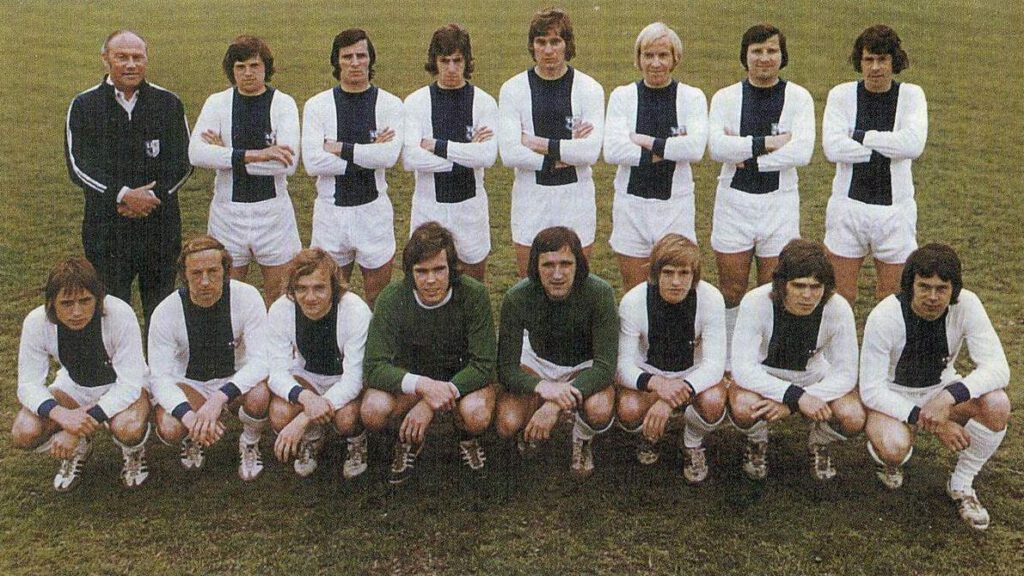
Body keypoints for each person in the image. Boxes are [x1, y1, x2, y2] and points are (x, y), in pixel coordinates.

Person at [860, 244, 1010, 530]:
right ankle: (885, 458)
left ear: (954, 289)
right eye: (924, 287)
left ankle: (962, 484)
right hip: (893, 395)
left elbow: (998, 368)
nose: (932, 297)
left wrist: (949, 396)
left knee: (997, 404)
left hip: (940, 390)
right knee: (893, 448)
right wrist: (934, 423)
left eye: (942, 289)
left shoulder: (967, 304)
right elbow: (871, 390)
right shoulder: (885, 315)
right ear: (910, 285)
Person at [65, 30, 192, 333]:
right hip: (107, 229)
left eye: (137, 57)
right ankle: (117, 362)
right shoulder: (84, 105)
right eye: (122, 57)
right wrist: (122, 195)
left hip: (159, 227)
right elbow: (78, 165)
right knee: (111, 310)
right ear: (106, 58)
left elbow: (183, 162)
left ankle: (159, 363)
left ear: (147, 59)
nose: (131, 64)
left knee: (161, 312)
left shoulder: (168, 102)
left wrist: (150, 199)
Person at [707, 24, 815, 370]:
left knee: (773, 288)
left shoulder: (798, 97)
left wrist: (747, 155)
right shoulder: (726, 97)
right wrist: (769, 143)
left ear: (782, 55)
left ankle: (766, 359)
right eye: (757, 51)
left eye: (771, 50)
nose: (764, 58)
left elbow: (801, 152)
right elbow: (716, 147)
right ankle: (728, 361)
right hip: (733, 204)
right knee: (732, 290)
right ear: (745, 56)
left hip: (779, 205)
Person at [362, 222, 497, 485]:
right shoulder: (391, 298)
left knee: (477, 414)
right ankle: (406, 438)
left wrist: (431, 402)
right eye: (421, 271)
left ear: (452, 268)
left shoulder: (474, 294)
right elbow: (374, 366)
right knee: (372, 409)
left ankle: (466, 435)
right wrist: (423, 387)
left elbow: (484, 364)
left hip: (461, 381)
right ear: (409, 272)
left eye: (439, 269)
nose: (431, 280)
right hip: (414, 384)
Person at [729, 239, 864, 481]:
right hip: (765, 375)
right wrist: (796, 397)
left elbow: (846, 373)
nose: (807, 295)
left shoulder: (838, 307)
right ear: (782, 284)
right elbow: (743, 369)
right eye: (799, 286)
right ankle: (757, 440)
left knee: (852, 416)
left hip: (812, 378)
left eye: (815, 287)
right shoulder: (756, 301)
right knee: (744, 407)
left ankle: (820, 441)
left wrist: (794, 401)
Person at [12, 258, 151, 491]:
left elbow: (129, 384)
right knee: (24, 431)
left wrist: (76, 427)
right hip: (74, 387)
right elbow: (28, 385)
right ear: (51, 302)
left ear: (98, 298)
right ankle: (79, 448)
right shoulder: (36, 322)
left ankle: (133, 451)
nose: (76, 312)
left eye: (85, 301)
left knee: (128, 427)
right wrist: (61, 415)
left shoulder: (119, 313)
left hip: (122, 388)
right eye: (66, 303)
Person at [496, 226, 618, 480]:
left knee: (599, 409)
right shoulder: (517, 297)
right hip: (538, 361)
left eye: (566, 264)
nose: (558, 274)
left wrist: (554, 404)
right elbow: (506, 369)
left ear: (578, 264)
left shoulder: (600, 293)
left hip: (584, 365)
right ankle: (529, 428)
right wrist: (542, 387)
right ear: (535, 266)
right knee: (508, 421)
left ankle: (582, 437)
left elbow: (605, 367)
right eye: (548, 265)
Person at [189, 35, 301, 306]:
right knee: (227, 296)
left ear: (266, 67)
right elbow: (196, 153)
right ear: (232, 70)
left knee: (280, 297)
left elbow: (287, 164)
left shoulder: (283, 103)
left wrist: (225, 155)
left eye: (254, 66)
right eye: (240, 67)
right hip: (227, 214)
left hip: (273, 214)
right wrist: (257, 154)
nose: (248, 73)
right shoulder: (217, 103)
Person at [148, 235, 271, 481]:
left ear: (226, 271)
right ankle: (193, 436)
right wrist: (189, 416)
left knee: (259, 395)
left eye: (213, 271)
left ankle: (249, 442)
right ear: (184, 275)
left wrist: (219, 398)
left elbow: (262, 360)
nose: (205, 281)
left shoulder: (247, 297)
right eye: (196, 273)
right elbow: (159, 378)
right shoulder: (166, 311)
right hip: (190, 384)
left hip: (235, 379)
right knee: (171, 427)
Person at [823, 25, 927, 305]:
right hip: (847, 209)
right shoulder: (842, 95)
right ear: (860, 61)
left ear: (894, 61)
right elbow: (833, 148)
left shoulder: (911, 95)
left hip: (896, 213)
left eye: (882, 59)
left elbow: (913, 145)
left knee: (892, 300)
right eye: (868, 59)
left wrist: (859, 136)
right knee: (839, 298)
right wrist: (888, 146)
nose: (875, 67)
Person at [498, 7, 605, 276]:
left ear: (567, 44)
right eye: (541, 42)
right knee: (530, 282)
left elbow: (589, 152)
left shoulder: (589, 88)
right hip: (530, 198)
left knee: (576, 281)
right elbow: (510, 153)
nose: (548, 50)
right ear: (532, 45)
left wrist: (533, 142)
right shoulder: (513, 89)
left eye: (555, 41)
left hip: (576, 198)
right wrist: (563, 153)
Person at [302, 29, 404, 307]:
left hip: (374, 213)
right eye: (347, 57)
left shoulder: (390, 104)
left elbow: (388, 157)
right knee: (328, 296)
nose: (355, 63)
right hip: (330, 214)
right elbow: (313, 162)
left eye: (361, 55)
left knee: (378, 298)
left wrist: (340, 148)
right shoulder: (318, 105)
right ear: (337, 62)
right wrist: (369, 153)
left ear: (371, 59)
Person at [604, 23, 708, 290]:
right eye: (648, 55)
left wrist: (645, 141)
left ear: (675, 58)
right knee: (636, 290)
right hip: (631, 207)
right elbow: (613, 151)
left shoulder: (691, 97)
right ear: (638, 58)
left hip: (676, 208)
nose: (655, 63)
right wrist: (669, 149)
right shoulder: (623, 96)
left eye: (663, 55)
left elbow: (695, 149)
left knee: (677, 288)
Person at [616, 234, 726, 483]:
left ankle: (692, 442)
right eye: (668, 273)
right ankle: (649, 435)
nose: (676, 282)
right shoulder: (633, 301)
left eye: (684, 273)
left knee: (713, 401)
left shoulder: (711, 298)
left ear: (694, 275)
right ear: (655, 274)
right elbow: (621, 366)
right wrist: (657, 384)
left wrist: (668, 400)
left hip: (692, 374)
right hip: (651, 374)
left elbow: (714, 365)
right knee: (629, 408)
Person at [403, 24, 498, 283]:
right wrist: (466, 153)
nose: (452, 68)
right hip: (428, 207)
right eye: (445, 61)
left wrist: (437, 146)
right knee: (428, 281)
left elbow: (486, 157)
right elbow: (410, 158)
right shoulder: (416, 102)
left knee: (473, 284)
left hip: (471, 209)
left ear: (467, 61)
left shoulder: (484, 102)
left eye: (458, 60)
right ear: (435, 62)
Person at [267, 249, 372, 479]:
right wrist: (306, 398)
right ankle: (313, 438)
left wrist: (303, 418)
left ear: (334, 287)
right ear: (292, 289)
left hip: (343, 379)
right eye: (301, 288)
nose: (310, 297)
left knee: (346, 419)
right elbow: (276, 372)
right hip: (308, 378)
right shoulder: (281, 309)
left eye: (319, 288)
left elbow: (353, 380)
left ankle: (356, 441)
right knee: (279, 414)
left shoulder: (355, 310)